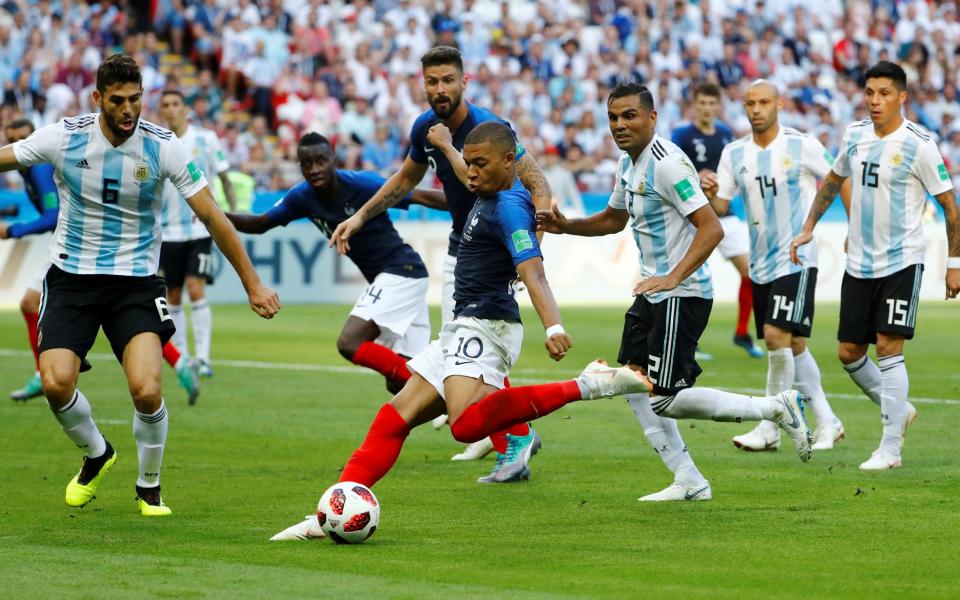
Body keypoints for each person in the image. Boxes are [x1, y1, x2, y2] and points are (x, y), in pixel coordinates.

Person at [270, 122, 649, 540]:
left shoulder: (509, 208)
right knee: (393, 418)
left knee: (466, 426)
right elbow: (468, 168)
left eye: (479, 164)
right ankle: (327, 513)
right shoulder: (486, 186)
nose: (470, 172)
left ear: (509, 162)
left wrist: (554, 325)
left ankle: (588, 385)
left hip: (488, 325)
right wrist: (449, 147)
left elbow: (533, 270)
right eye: (468, 164)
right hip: (460, 326)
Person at [0, 54, 280, 516]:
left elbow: (212, 214)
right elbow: (7, 158)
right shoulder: (65, 137)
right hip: (71, 278)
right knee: (54, 383)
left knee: (147, 390)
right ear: (98, 99)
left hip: (134, 283)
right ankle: (97, 454)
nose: (129, 110)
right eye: (118, 101)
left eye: (135, 99)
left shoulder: (163, 146)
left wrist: (252, 283)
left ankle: (148, 487)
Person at [538, 83, 813, 502]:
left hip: (682, 294)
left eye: (629, 115)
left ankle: (775, 408)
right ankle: (689, 479)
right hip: (653, 294)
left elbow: (712, 227)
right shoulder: (627, 164)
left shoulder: (666, 165)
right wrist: (567, 226)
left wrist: (673, 276)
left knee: (665, 400)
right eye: (613, 117)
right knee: (633, 385)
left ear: (652, 118)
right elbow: (614, 219)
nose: (619, 125)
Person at [330, 46, 553, 466]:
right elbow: (403, 181)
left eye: (448, 80)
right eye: (432, 81)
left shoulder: (488, 128)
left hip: (490, 255)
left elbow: (538, 184)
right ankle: (506, 435)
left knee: (468, 347)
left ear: (464, 81)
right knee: (464, 349)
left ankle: (515, 435)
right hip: (459, 252)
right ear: (423, 84)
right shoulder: (425, 128)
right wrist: (359, 217)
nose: (440, 88)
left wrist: (532, 248)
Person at [792, 61, 960, 470]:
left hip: (902, 261)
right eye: (869, 92)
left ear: (902, 97)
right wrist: (809, 226)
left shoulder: (920, 144)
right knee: (849, 353)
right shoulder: (854, 135)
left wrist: (954, 263)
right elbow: (832, 181)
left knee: (888, 347)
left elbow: (950, 208)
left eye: (884, 93)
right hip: (859, 262)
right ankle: (898, 410)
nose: (875, 100)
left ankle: (890, 449)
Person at [1, 118, 200, 405]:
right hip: (69, 244)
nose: (19, 141)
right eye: (13, 137)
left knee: (123, 319)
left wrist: (13, 230)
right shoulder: (30, 169)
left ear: (33, 136)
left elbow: (51, 216)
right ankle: (180, 364)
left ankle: (180, 364)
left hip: (80, 250)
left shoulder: (41, 169)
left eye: (23, 135)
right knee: (29, 303)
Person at [226, 133, 445, 393]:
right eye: (307, 164)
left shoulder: (363, 185)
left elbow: (420, 196)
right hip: (398, 277)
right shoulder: (302, 197)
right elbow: (260, 224)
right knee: (397, 384)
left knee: (350, 342)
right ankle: (443, 390)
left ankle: (434, 391)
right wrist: (216, 215)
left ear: (333, 160)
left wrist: (467, 203)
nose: (315, 169)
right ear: (300, 167)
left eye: (320, 161)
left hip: (401, 272)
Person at [712, 81, 847, 452]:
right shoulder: (734, 153)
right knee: (794, 343)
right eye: (750, 103)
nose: (757, 109)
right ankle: (828, 420)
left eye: (764, 102)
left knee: (774, 335)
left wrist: (852, 227)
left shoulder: (801, 144)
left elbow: (838, 177)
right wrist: (709, 189)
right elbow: (721, 207)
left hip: (796, 258)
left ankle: (770, 425)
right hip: (760, 264)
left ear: (779, 104)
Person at [673, 82, 763, 359]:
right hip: (693, 216)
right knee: (689, 277)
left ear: (718, 106)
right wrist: (697, 178)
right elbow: (671, 169)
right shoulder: (682, 135)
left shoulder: (725, 135)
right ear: (694, 104)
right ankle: (687, 341)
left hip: (725, 212)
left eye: (712, 103)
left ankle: (741, 333)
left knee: (751, 273)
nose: (707, 108)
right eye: (702, 103)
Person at [157, 89, 237, 381]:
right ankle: (185, 358)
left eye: (176, 103)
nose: (171, 109)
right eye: (165, 104)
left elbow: (225, 177)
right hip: (167, 232)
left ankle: (203, 358)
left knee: (196, 289)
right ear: (161, 110)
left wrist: (232, 214)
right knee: (173, 294)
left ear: (185, 109)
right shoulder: (156, 142)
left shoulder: (205, 139)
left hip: (200, 228)